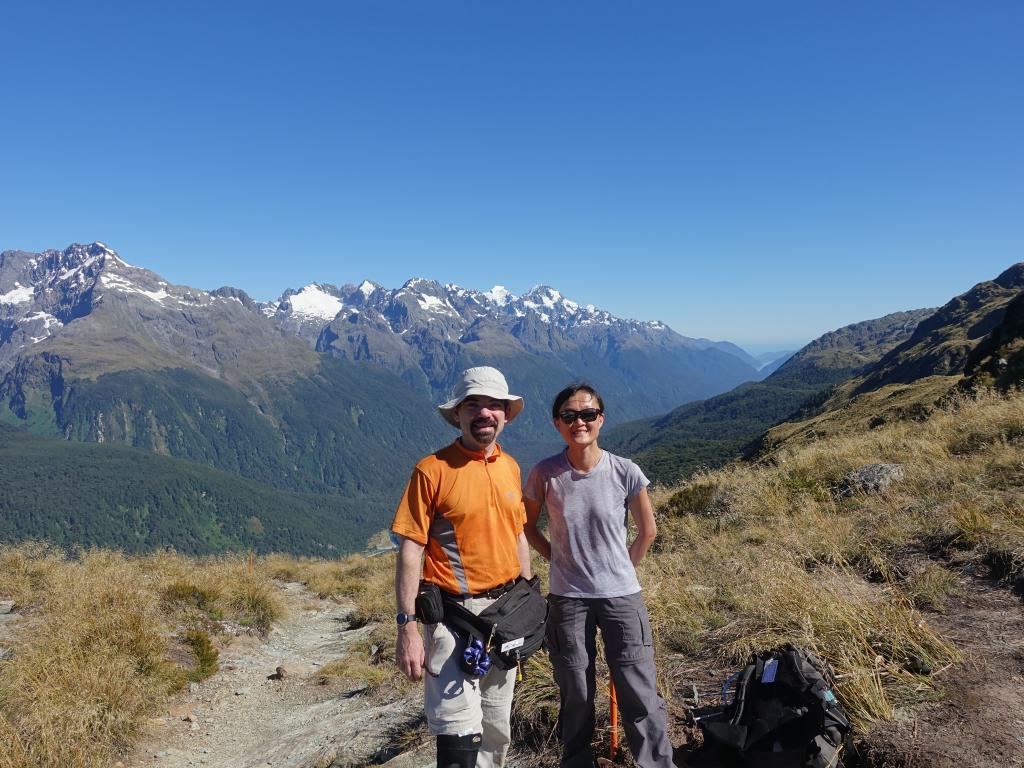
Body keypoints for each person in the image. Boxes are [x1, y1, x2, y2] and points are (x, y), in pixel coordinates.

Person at [524, 383, 674, 768]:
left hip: (621, 596)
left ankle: (655, 763)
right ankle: (578, 760)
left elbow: (648, 530)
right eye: (570, 416)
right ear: (557, 423)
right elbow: (526, 526)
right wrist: (556, 560)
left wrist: (623, 569)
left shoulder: (625, 471)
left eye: (588, 414)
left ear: (601, 419)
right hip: (567, 598)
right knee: (575, 686)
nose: (580, 422)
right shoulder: (545, 473)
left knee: (637, 686)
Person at [392, 366, 533, 768]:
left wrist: (526, 603)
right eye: (474, 405)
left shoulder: (510, 466)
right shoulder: (431, 470)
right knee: (457, 734)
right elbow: (410, 549)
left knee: (495, 730)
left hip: (504, 617)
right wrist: (407, 629)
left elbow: (518, 535)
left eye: (494, 405)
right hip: (454, 619)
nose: (484, 413)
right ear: (458, 414)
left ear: (506, 415)